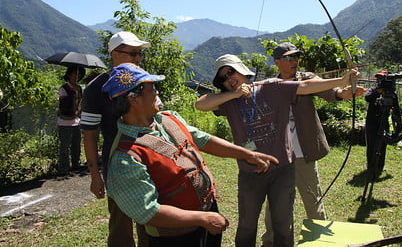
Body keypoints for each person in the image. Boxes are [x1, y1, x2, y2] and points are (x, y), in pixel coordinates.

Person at [195, 54, 365, 247]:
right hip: (250, 172)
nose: (229, 78)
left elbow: (305, 87)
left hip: (283, 169)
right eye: (223, 78)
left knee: (284, 226)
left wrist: (342, 81)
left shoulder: (271, 87)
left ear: (242, 70)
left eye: (231, 71)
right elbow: (200, 104)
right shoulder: (228, 100)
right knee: (247, 226)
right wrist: (235, 94)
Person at [103, 63, 278, 246]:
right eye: (152, 88)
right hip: (174, 237)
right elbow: (148, 212)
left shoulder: (166, 119)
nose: (157, 92)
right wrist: (201, 218)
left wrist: (246, 154)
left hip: (205, 217)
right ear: (134, 100)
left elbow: (203, 140)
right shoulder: (126, 157)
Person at [261, 42, 356, 246]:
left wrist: (344, 92)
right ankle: (271, 242)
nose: (294, 61)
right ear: (277, 62)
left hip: (304, 152)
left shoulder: (308, 78)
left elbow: (330, 92)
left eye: (296, 57)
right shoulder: (269, 85)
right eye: (288, 58)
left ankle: (320, 240)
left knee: (313, 199)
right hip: (278, 156)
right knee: (276, 203)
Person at [80, 31, 151, 247]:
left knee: (152, 223)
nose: (138, 59)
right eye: (133, 53)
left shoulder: (145, 81)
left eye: (140, 54)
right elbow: (89, 135)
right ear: (114, 54)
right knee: (121, 227)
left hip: (150, 161)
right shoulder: (95, 90)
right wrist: (95, 176)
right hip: (117, 166)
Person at [57, 65, 85, 174]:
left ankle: (76, 164)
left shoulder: (79, 88)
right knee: (65, 146)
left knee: (76, 144)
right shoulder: (63, 88)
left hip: (76, 121)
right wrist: (72, 93)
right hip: (64, 121)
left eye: (79, 75)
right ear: (69, 74)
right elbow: (64, 104)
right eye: (74, 74)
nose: (77, 77)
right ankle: (63, 168)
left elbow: (80, 104)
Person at [365, 70, 389, 177]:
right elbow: (368, 98)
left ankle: (380, 166)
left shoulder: (389, 93)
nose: (379, 80)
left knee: (383, 144)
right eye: (378, 78)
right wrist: (378, 91)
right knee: (371, 145)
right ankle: (371, 165)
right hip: (372, 121)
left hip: (383, 121)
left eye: (382, 78)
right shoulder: (373, 90)